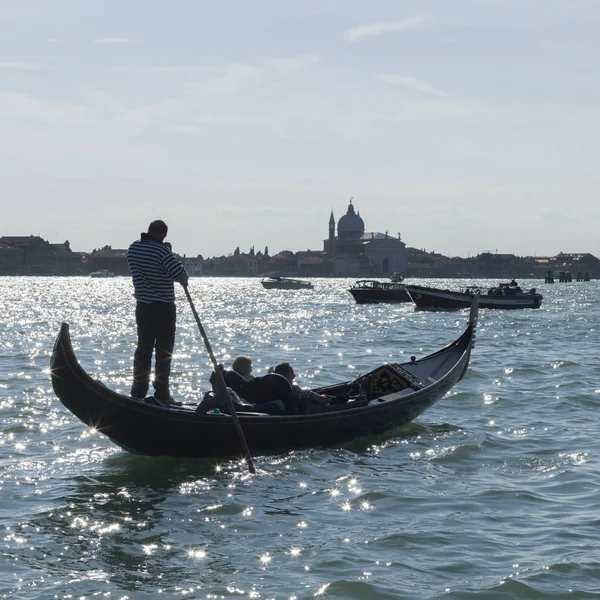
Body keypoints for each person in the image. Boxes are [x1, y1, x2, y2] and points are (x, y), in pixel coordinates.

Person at [127, 220, 189, 405]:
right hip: (163, 307)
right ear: (162, 234)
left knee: (143, 349)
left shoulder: (133, 249)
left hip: (143, 307)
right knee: (164, 351)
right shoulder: (161, 251)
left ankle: (138, 392)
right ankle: (162, 393)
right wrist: (168, 252)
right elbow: (179, 274)